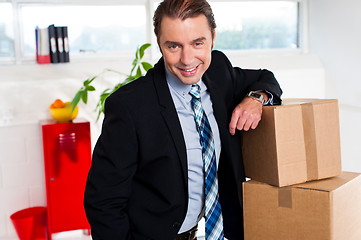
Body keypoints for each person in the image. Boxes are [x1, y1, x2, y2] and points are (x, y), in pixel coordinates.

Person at [84, 0, 282, 239]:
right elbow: (103, 202)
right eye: (174, 46)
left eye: (198, 43)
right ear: (159, 44)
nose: (187, 60)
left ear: (213, 38)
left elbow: (265, 78)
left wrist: (256, 99)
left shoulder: (218, 70)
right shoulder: (130, 106)